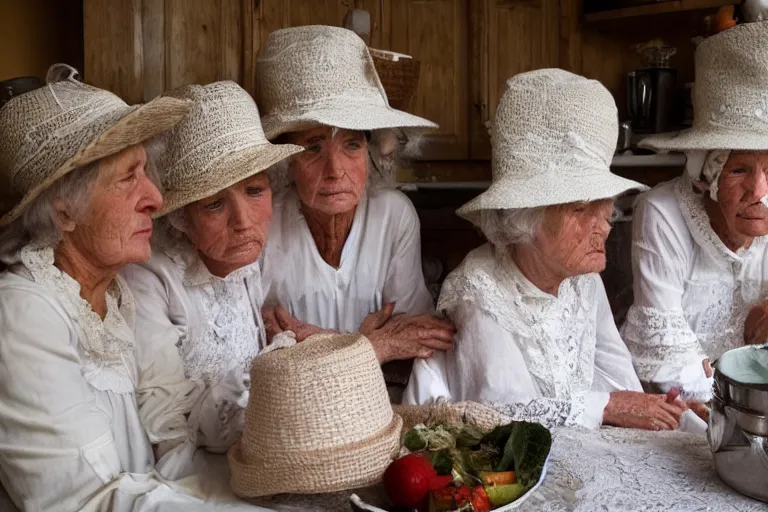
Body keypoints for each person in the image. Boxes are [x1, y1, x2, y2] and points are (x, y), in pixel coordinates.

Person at [404, 69, 699, 431]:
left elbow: (619, 379)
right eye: (580, 207)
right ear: (524, 218)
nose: (604, 223)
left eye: (603, 202)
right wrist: (604, 407)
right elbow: (500, 415)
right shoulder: (479, 289)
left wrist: (669, 411)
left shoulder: (580, 278)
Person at [0, 64, 199, 512]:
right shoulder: (22, 315)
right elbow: (83, 500)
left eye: (146, 171)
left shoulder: (113, 296)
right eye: (128, 177)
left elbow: (169, 439)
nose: (155, 199)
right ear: (64, 214)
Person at [122, 82, 303, 472]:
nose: (243, 222)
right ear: (181, 217)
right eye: (214, 204)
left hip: (260, 459)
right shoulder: (151, 278)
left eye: (255, 191)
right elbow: (165, 431)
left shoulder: (249, 260)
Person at [256, 26, 454, 380]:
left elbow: (419, 334)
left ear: (371, 151)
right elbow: (257, 351)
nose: (335, 172)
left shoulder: (393, 216)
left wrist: (326, 344)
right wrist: (371, 344)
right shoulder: (261, 222)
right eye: (313, 147)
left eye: (351, 145)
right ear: (285, 161)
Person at [622, 20, 768, 401]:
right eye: (739, 170)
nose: (759, 191)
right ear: (707, 174)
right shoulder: (662, 213)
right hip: (683, 410)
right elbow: (668, 363)